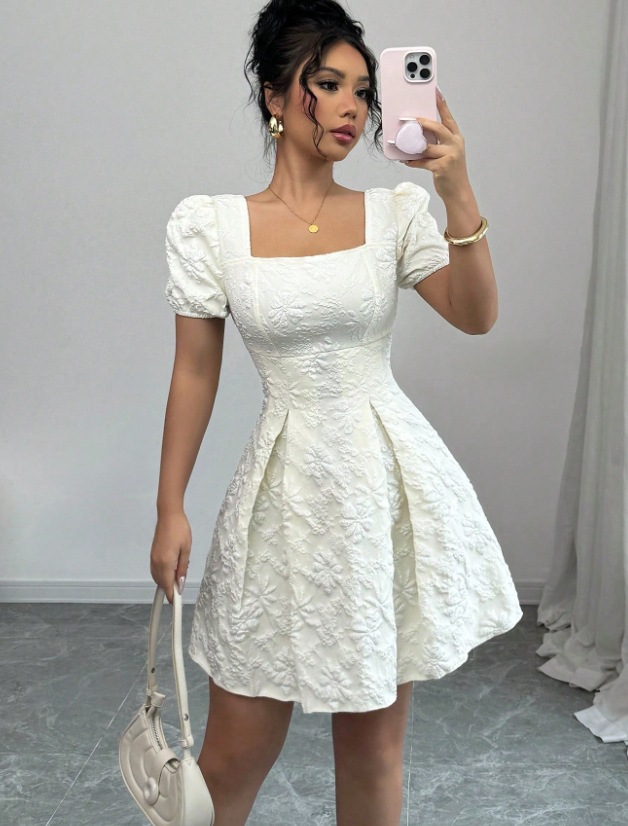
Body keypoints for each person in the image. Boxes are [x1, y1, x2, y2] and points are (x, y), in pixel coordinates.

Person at [150, 1, 523, 823]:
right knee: (230, 759)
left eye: (362, 90)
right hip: (280, 496)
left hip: (380, 492)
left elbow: (476, 315)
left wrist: (456, 189)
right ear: (275, 95)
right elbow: (195, 371)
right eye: (327, 84)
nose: (351, 107)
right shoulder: (212, 226)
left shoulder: (395, 213)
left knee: (373, 751)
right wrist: (169, 505)